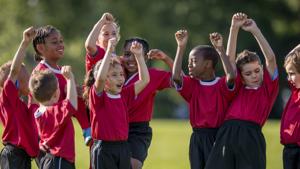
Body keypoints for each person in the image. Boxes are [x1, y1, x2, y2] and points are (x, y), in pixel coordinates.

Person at [205, 13, 279, 169]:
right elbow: (230, 61)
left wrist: (255, 30)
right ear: (242, 77)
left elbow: (271, 59)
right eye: (248, 73)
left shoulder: (268, 89)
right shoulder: (237, 88)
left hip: (251, 137)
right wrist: (234, 28)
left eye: (257, 70)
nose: (254, 75)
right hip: (227, 133)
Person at [172, 29, 236, 169]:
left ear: (207, 64)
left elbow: (231, 76)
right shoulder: (193, 85)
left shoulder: (220, 84)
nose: (189, 65)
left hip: (218, 137)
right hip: (197, 138)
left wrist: (220, 50)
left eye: (193, 61)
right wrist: (180, 47)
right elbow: (176, 76)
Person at [83, 38, 149, 169]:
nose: (120, 78)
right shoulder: (98, 96)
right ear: (104, 80)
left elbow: (145, 80)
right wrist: (108, 51)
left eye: (120, 74)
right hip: (104, 149)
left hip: (123, 147)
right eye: (114, 75)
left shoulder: (124, 94)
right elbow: (100, 78)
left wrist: (139, 56)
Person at [32, 25, 91, 145]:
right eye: (54, 42)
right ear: (41, 48)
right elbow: (39, 99)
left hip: (64, 126)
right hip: (50, 128)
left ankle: (87, 129)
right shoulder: (41, 71)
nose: (60, 45)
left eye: (61, 41)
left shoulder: (62, 70)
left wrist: (78, 91)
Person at [121, 37, 173, 169]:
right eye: (127, 54)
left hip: (138, 130)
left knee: (133, 165)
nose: (131, 59)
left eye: (137, 54)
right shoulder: (115, 72)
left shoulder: (153, 75)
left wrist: (165, 58)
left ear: (145, 57)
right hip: (115, 126)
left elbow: (180, 79)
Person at [0, 27, 39, 169]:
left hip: (23, 156)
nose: (29, 77)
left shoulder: (24, 106)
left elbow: (34, 99)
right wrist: (25, 42)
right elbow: (14, 70)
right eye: (26, 75)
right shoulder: (7, 99)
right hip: (13, 155)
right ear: (15, 83)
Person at [30, 65, 77, 169]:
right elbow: (72, 104)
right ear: (56, 94)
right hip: (59, 160)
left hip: (49, 160)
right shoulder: (55, 111)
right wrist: (70, 79)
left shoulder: (38, 112)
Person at [281, 44, 300, 169]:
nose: (289, 78)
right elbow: (289, 57)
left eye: (292, 73)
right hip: (289, 151)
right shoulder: (295, 91)